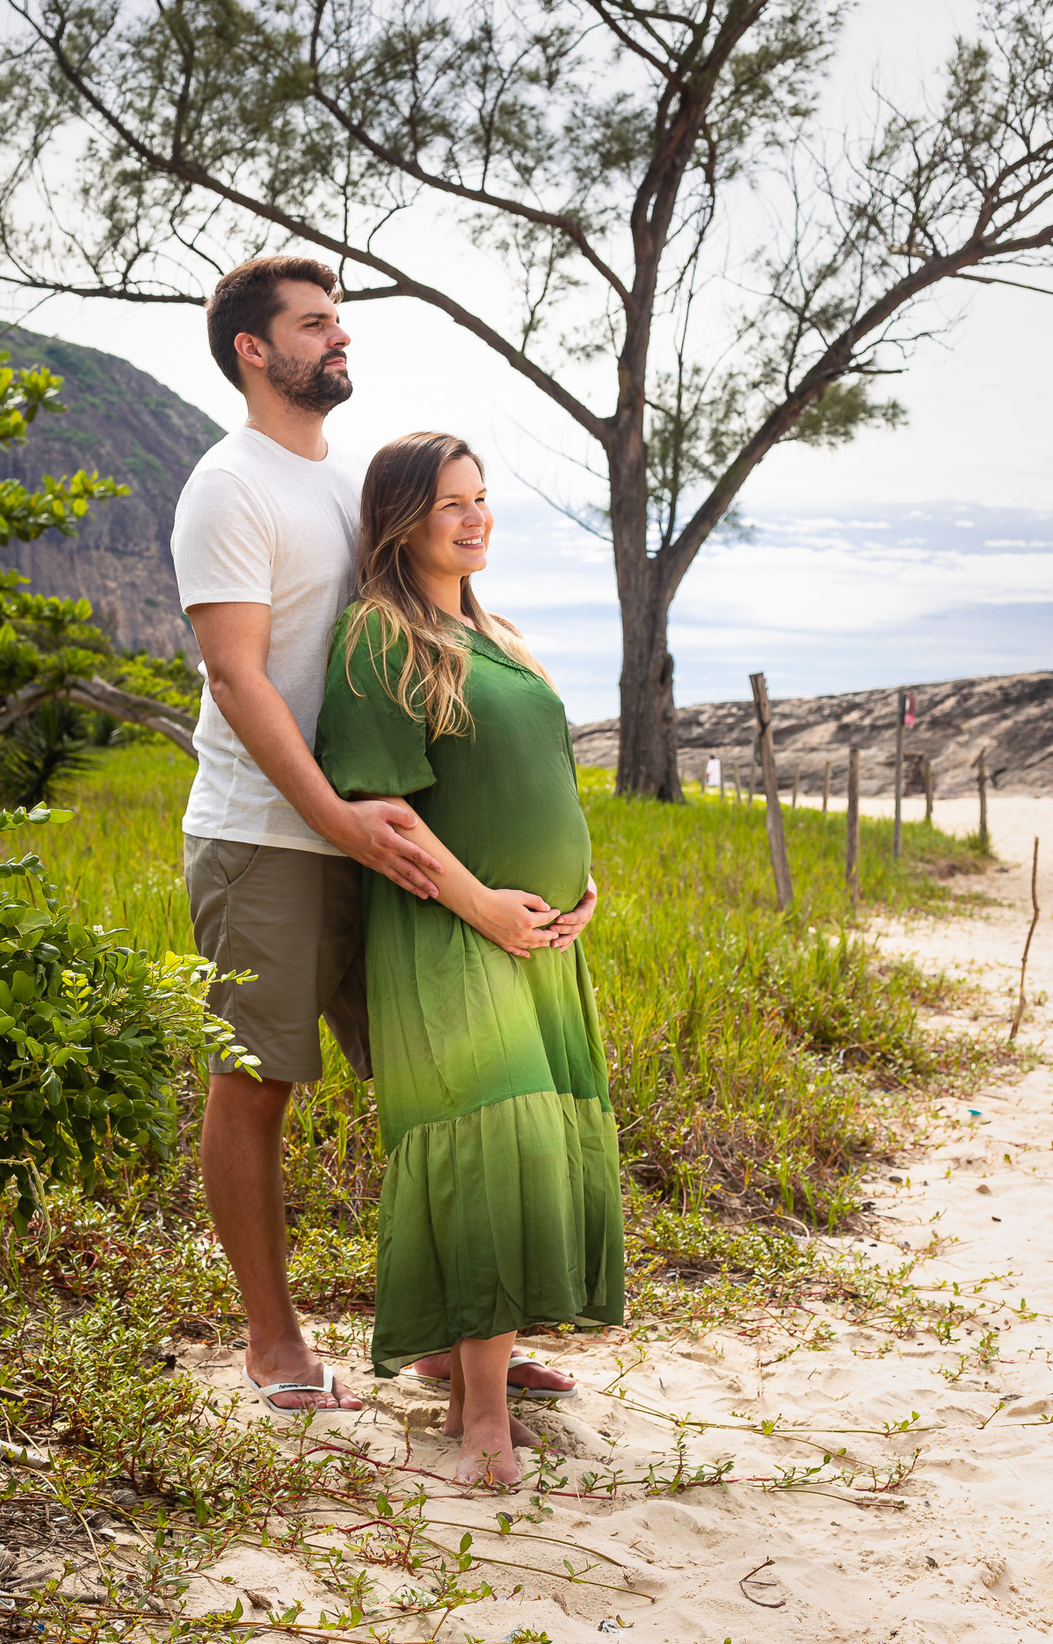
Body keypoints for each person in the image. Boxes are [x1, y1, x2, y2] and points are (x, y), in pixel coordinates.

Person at [172, 257, 580, 1412]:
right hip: (270, 835)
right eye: (314, 326)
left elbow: (413, 636)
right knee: (259, 1083)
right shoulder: (227, 486)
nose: (336, 340)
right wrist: (334, 821)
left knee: (438, 1079)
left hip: (375, 835)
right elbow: (240, 678)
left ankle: (459, 1338)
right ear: (256, 350)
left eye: (337, 323)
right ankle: (272, 1342)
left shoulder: (344, 481)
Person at [315, 433, 625, 1484]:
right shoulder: (379, 639)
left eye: (481, 498)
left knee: (537, 1137)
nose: (475, 517)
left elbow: (540, 780)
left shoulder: (493, 634)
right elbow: (382, 814)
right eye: (451, 502)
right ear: (401, 519)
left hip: (539, 938)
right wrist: (487, 906)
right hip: (452, 932)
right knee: (491, 1143)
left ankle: (478, 1359)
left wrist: (581, 887)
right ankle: (479, 1420)